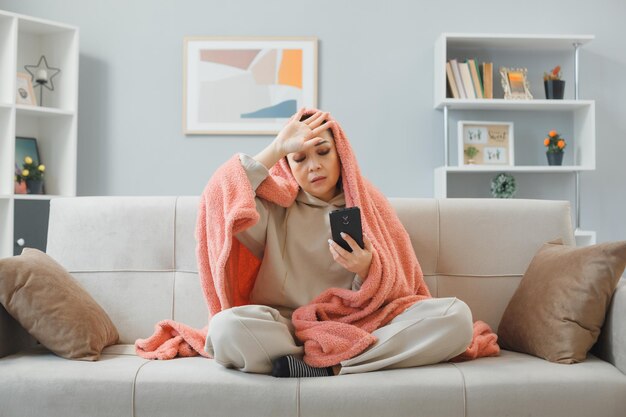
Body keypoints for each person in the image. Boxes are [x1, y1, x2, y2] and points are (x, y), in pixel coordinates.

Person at [204, 108, 475, 377]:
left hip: (361, 325)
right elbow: (219, 198)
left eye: (323, 152)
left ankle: (331, 366)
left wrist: (368, 269)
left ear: (341, 152)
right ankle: (319, 360)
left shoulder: (369, 203)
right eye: (299, 158)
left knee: (457, 318)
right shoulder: (271, 207)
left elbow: (398, 289)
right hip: (289, 329)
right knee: (225, 328)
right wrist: (277, 147)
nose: (314, 166)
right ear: (287, 165)